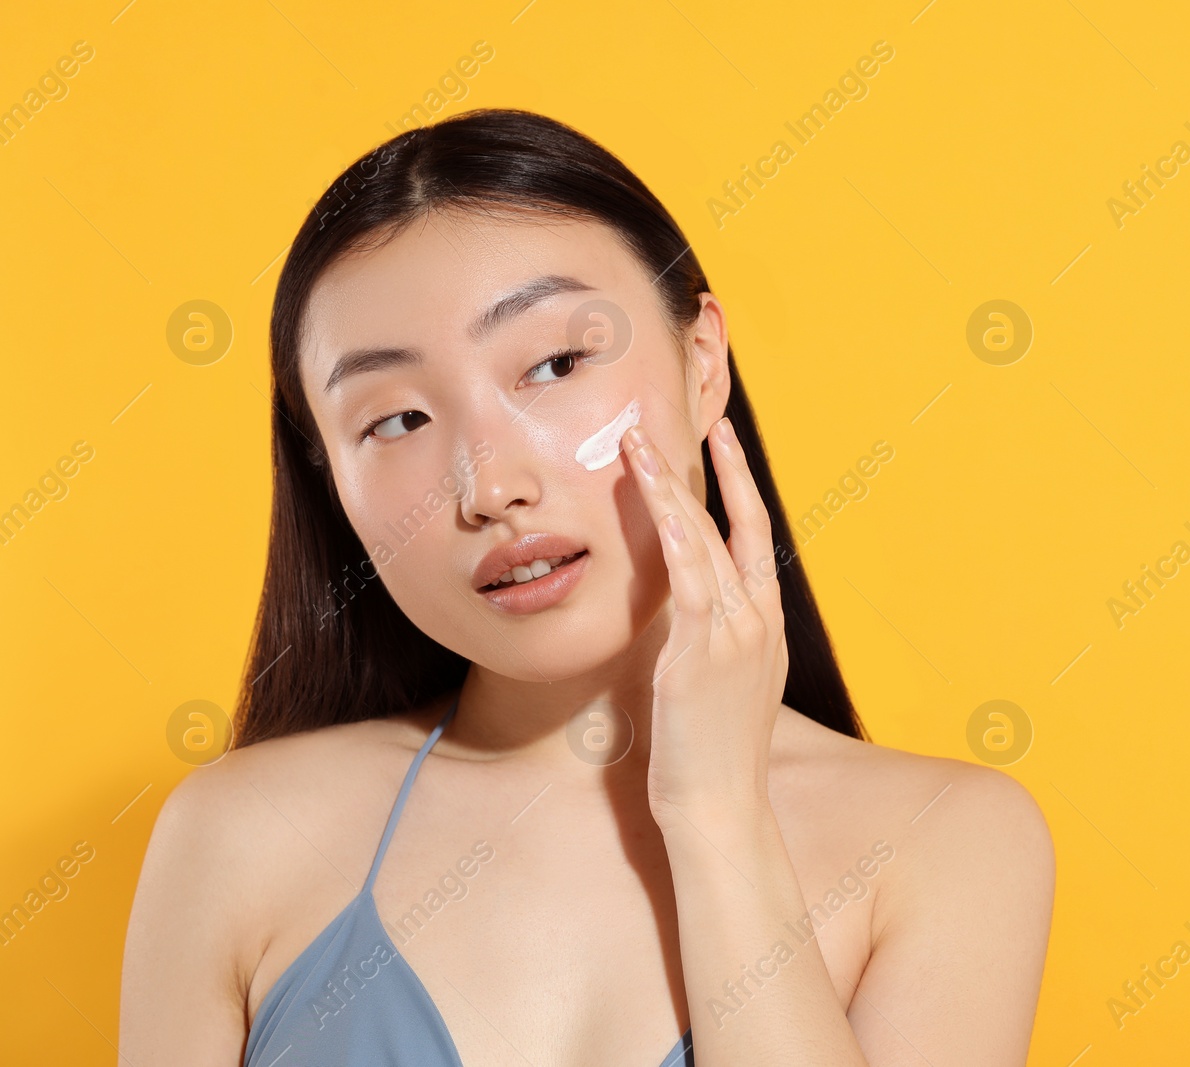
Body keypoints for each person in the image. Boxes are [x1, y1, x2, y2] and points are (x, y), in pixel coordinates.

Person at [119, 107, 1054, 1066]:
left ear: (702, 361)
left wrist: (718, 817)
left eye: (557, 363)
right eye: (396, 419)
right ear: (329, 476)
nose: (489, 487)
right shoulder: (238, 837)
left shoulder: (947, 845)